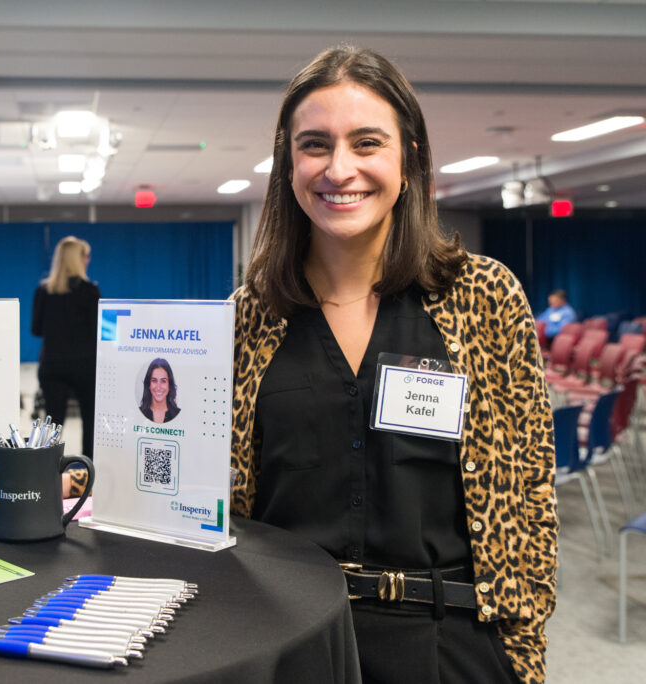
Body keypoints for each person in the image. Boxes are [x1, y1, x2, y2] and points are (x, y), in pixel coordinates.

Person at [229, 46, 556, 684]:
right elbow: (219, 493)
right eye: (315, 145)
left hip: (448, 643)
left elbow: (531, 496)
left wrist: (522, 653)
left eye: (367, 142)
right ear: (288, 165)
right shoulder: (249, 316)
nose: (339, 168)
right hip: (291, 641)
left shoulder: (484, 297)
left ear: (408, 160)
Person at [31, 236, 100, 459]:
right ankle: (87, 469)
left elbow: (36, 329)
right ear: (79, 259)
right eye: (86, 256)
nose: (88, 260)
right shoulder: (91, 291)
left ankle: (47, 471)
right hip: (85, 366)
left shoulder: (44, 291)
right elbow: (102, 331)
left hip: (52, 365)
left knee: (53, 421)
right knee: (90, 420)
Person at [138, 358, 180, 423]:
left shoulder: (178, 415)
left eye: (163, 381)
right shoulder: (138, 413)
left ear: (169, 384)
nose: (158, 387)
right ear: (149, 384)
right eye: (154, 380)